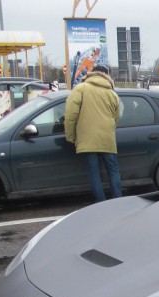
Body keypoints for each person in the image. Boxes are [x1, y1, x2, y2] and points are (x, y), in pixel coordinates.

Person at [64, 64, 122, 203]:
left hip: (87, 139)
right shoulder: (112, 93)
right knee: (113, 171)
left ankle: (101, 204)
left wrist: (71, 136)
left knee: (94, 174)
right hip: (108, 138)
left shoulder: (81, 89)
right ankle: (118, 201)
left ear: (90, 74)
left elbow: (71, 115)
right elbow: (116, 117)